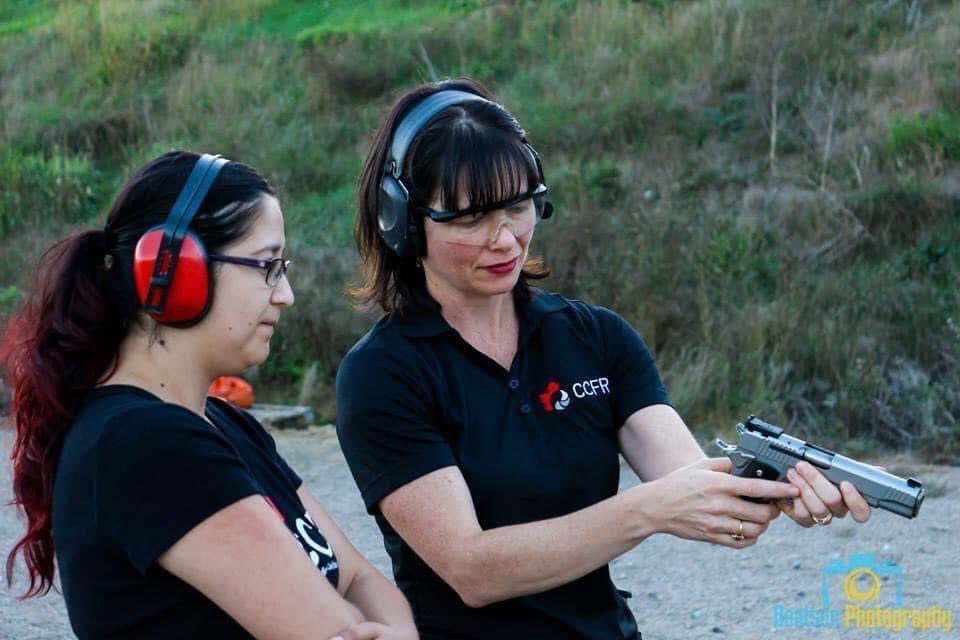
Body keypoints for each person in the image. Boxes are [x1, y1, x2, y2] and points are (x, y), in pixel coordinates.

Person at [335, 79, 875, 639]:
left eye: (518, 207)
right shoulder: (383, 374)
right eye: (470, 219)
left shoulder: (595, 338)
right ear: (402, 220)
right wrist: (647, 510)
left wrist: (784, 483)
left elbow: (695, 491)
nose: (505, 240)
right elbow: (473, 570)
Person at [2, 151, 417, 640]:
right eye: (266, 266)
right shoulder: (148, 444)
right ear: (174, 270)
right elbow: (332, 626)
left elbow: (362, 578)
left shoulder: (223, 423)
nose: (285, 294)